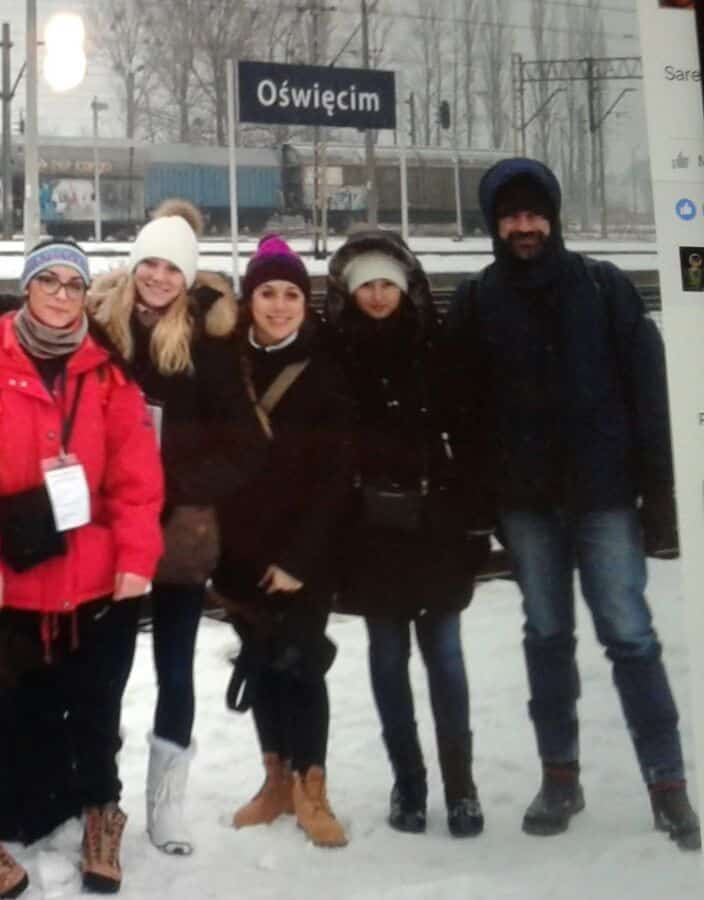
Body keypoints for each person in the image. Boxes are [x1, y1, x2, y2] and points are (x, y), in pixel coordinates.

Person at [445, 157, 701, 850]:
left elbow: (651, 394)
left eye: (534, 214)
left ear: (553, 219)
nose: (523, 226)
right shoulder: (475, 302)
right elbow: (462, 417)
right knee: (547, 638)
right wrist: (476, 507)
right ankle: (561, 778)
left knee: (631, 636)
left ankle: (668, 784)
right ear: (494, 224)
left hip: (606, 498)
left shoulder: (604, 287)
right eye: (510, 216)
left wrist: (663, 497)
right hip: (527, 509)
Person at [0, 238, 163, 897]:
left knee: (97, 706)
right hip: (10, 576)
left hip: (90, 578)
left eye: (72, 284)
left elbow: (137, 481)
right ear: (27, 288)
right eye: (48, 281)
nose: (61, 295)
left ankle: (101, 810)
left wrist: (136, 557)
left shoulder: (108, 373)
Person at [88, 200, 266, 855]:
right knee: (104, 671)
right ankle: (98, 799)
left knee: (174, 668)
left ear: (188, 277)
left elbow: (247, 445)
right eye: (149, 264)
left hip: (177, 541)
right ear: (134, 264)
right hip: (109, 531)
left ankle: (167, 804)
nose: (158, 278)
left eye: (172, 268)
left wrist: (179, 486)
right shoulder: (103, 329)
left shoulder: (205, 347)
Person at [324, 229, 489, 838]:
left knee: (445, 654)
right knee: (388, 658)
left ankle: (462, 787)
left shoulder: (437, 347)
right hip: (370, 529)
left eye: (386, 284)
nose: (376, 295)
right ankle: (410, 783)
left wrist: (475, 523)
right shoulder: (336, 352)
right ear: (349, 289)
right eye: (365, 284)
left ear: (405, 288)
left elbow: (469, 435)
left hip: (436, 520)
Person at [214, 234, 355, 849]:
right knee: (261, 663)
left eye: (291, 294)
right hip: (241, 551)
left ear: (306, 301)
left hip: (304, 553)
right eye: (267, 292)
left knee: (300, 664)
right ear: (250, 300)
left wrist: (298, 559)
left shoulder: (325, 371)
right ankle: (275, 778)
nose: (278, 305)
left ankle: (311, 787)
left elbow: (336, 477)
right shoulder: (228, 363)